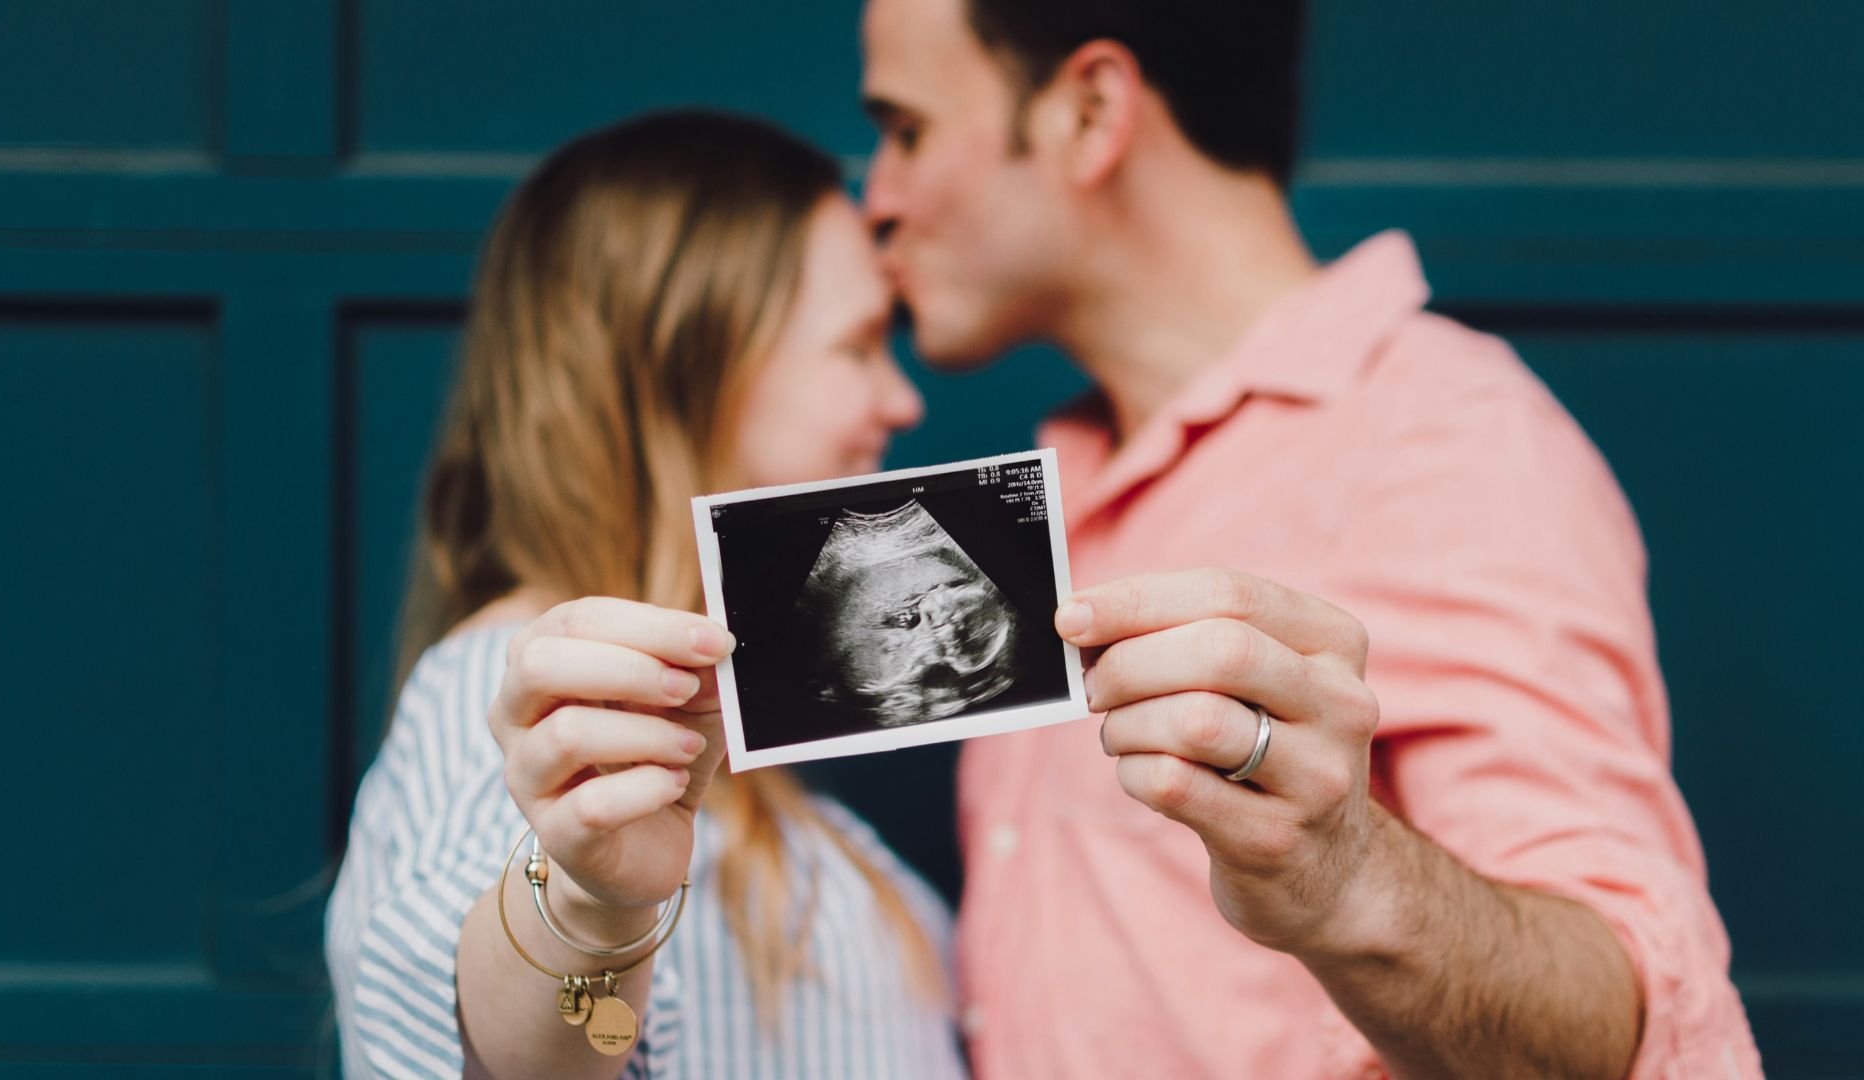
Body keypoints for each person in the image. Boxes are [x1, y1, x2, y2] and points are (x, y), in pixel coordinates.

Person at [857, 0, 1762, 1076]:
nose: (878, 198)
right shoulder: (1061, 485)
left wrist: (1347, 880)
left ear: (1091, 110)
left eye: (908, 130)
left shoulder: (1445, 443)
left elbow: (1629, 1022)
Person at [324, 110, 965, 1079]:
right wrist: (591, 909)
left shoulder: (718, 746)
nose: (902, 400)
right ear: (685, 366)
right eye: (859, 344)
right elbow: (505, 1043)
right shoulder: (528, 704)